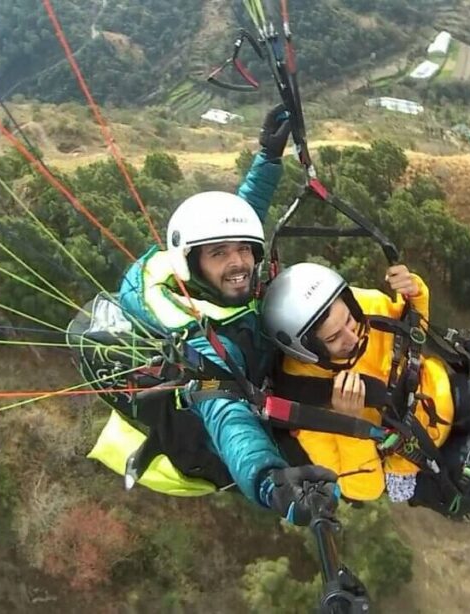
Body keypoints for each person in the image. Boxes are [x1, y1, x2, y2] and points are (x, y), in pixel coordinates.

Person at [98, 104, 338, 525]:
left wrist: (268, 157)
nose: (238, 262)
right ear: (193, 264)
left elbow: (237, 220)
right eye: (220, 254)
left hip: (258, 376)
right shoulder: (203, 347)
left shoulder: (209, 282)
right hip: (226, 429)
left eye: (244, 249)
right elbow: (226, 412)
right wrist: (270, 482)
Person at [261, 262, 470, 560]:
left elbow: (412, 329)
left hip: (435, 396)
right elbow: (363, 489)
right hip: (414, 457)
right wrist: (350, 423)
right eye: (335, 338)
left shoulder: (363, 307)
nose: (352, 336)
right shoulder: (308, 411)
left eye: (349, 321)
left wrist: (415, 291)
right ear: (308, 349)